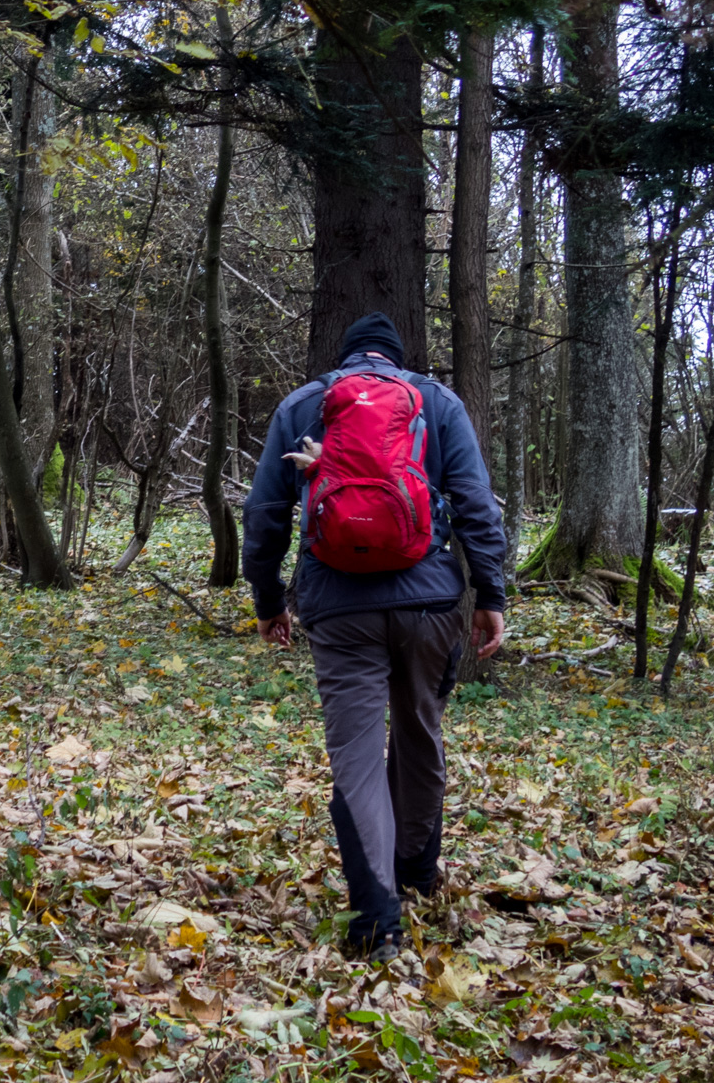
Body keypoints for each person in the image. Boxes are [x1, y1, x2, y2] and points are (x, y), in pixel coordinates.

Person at [242, 312, 506, 961]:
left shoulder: (304, 405)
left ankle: (377, 917)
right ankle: (417, 869)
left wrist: (269, 600)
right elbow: (476, 502)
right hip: (432, 604)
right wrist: (491, 595)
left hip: (337, 609)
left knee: (357, 752)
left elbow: (266, 512)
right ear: (396, 357)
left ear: (347, 356)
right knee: (419, 728)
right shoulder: (437, 403)